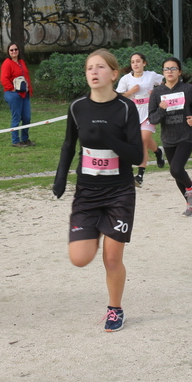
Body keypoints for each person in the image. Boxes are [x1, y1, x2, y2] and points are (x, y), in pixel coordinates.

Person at [53, 50, 143, 332]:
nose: (93, 72)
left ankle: (115, 309)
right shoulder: (77, 107)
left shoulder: (126, 108)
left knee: (112, 257)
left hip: (119, 192)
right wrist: (59, 177)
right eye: (89, 68)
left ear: (114, 74)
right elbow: (69, 145)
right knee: (80, 259)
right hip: (88, 192)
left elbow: (137, 155)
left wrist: (109, 139)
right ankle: (97, 229)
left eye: (100, 67)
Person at [148, 57, 192, 216]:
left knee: (176, 168)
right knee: (175, 173)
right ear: (163, 72)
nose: (170, 71)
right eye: (166, 69)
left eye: (173, 68)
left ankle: (191, 187)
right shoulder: (158, 92)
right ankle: (190, 204)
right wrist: (161, 110)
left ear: (179, 71)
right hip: (168, 138)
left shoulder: (188, 89)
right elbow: (152, 118)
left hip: (186, 135)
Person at [115, 52, 164, 186]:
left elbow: (166, 83)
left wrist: (156, 91)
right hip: (133, 114)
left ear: (144, 63)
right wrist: (130, 93)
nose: (135, 64)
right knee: (145, 140)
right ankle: (158, 152)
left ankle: (140, 176)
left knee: (142, 140)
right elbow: (118, 98)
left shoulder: (151, 75)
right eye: (133, 62)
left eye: (138, 61)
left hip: (149, 112)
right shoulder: (126, 79)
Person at [0, 43, 34, 147]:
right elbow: (3, 79)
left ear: (19, 50)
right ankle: (15, 141)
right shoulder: (7, 63)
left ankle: (25, 139)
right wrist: (12, 88)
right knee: (16, 117)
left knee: (26, 117)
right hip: (13, 94)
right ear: (8, 52)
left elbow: (26, 76)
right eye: (11, 50)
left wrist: (29, 89)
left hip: (24, 94)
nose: (14, 51)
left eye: (16, 49)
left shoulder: (21, 62)